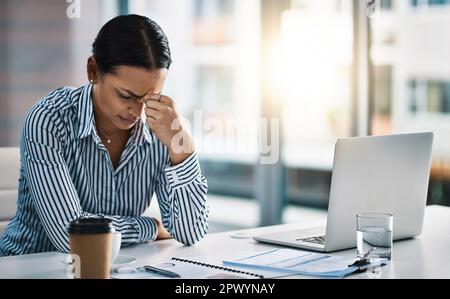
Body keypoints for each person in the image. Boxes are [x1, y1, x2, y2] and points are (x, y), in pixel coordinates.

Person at [0, 15, 209, 256]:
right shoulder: (48, 120)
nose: (138, 111)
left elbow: (191, 233)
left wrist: (181, 147)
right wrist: (149, 227)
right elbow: (70, 236)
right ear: (93, 70)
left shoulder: (161, 127)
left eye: (150, 98)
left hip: (116, 268)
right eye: (126, 96)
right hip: (30, 267)